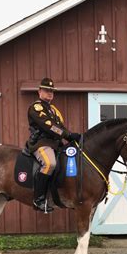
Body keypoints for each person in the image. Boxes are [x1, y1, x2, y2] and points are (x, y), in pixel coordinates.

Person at [27, 77, 81, 213]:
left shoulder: (54, 110)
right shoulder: (36, 108)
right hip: (42, 143)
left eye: (52, 91)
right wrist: (68, 135)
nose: (50, 93)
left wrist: (71, 137)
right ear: (39, 91)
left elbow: (61, 126)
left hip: (56, 144)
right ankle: (38, 199)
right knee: (49, 164)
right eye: (46, 90)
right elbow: (49, 126)